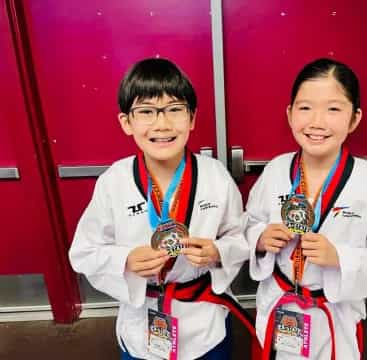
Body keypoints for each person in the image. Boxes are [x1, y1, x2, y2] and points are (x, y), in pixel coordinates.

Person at [69, 58, 252, 359]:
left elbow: (240, 236)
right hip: (142, 323)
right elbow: (84, 252)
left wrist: (218, 251)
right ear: (126, 122)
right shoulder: (113, 181)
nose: (162, 124)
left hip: (204, 320)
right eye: (146, 112)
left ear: (192, 118)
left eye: (175, 109)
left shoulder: (215, 175)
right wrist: (125, 259)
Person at [245, 58, 367, 359]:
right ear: (289, 113)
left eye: (333, 109)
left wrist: (340, 258)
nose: (317, 122)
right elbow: (247, 224)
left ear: (354, 118)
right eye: (305, 107)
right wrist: (259, 239)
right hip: (278, 310)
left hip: (333, 318)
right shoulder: (275, 170)